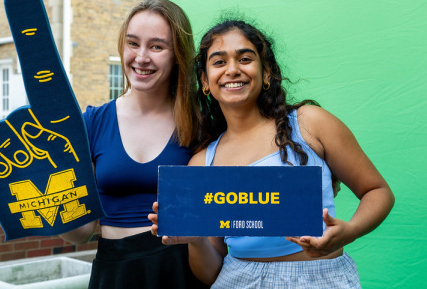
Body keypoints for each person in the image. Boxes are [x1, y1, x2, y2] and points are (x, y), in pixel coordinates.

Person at [149, 19, 395, 288]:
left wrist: (350, 231)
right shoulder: (202, 163)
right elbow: (211, 274)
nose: (232, 69)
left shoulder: (310, 124)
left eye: (245, 59)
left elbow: (378, 191)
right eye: (219, 62)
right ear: (205, 81)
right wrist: (195, 238)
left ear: (266, 73)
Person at [60, 0, 208, 289]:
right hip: (115, 273)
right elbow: (82, 232)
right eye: (133, 43)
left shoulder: (201, 122)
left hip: (181, 270)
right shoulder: (92, 121)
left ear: (177, 54)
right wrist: (50, 206)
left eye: (156, 46)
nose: (141, 57)